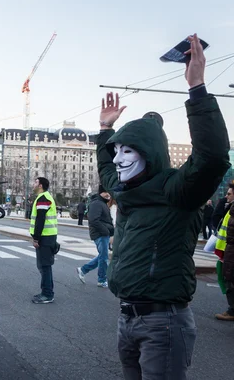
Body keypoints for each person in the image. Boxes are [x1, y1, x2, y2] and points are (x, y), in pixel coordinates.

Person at [96, 35, 230, 379]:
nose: (119, 159)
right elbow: (107, 169)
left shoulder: (177, 191)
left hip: (163, 323)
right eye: (118, 150)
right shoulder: (125, 191)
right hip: (127, 318)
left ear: (151, 155)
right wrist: (105, 130)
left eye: (128, 150)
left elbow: (212, 157)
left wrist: (197, 89)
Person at [76, 185, 114, 288]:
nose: (108, 194)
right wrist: (106, 231)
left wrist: (111, 232)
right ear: (101, 192)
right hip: (100, 234)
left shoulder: (102, 203)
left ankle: (83, 270)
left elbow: (106, 220)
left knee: (103, 256)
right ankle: (101, 280)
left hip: (103, 233)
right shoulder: (97, 203)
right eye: (107, 192)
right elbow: (93, 220)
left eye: (109, 192)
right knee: (104, 257)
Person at [30, 177, 58, 304]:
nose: (33, 184)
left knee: (44, 266)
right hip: (48, 236)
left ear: (40, 185)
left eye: (35, 182)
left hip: (45, 237)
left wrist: (36, 238)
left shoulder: (43, 198)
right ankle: (46, 292)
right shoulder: (45, 197)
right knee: (45, 266)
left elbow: (40, 219)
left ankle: (47, 294)